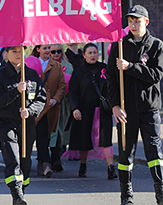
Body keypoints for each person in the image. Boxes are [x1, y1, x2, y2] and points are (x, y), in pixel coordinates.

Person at [107, 5, 163, 205]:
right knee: (125, 154)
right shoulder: (119, 46)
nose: (134, 25)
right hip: (126, 111)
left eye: (138, 21)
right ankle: (126, 197)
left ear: (146, 22)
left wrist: (130, 67)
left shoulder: (157, 46)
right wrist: (115, 106)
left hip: (149, 109)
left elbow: (155, 75)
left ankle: (161, 196)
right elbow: (110, 79)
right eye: (130, 21)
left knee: (154, 151)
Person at [0, 46, 47, 205]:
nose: (18, 54)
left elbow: (41, 98)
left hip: (27, 124)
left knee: (25, 162)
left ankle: (21, 193)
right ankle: (17, 197)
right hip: (6, 124)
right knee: (12, 159)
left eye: (20, 51)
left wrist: (30, 111)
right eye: (13, 51)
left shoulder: (31, 74)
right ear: (6, 54)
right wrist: (16, 92)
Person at [64, 43, 116, 179]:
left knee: (105, 139)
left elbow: (111, 87)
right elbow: (73, 93)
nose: (93, 55)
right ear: (84, 54)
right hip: (84, 111)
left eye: (95, 53)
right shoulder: (79, 71)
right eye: (90, 53)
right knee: (84, 139)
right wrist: (75, 109)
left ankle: (111, 168)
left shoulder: (104, 69)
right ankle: (83, 164)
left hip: (102, 111)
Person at [31, 44, 66, 178]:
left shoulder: (56, 66)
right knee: (36, 135)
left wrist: (55, 99)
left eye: (49, 49)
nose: (47, 51)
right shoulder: (30, 63)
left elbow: (62, 85)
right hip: (35, 107)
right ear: (38, 49)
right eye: (44, 48)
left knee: (44, 135)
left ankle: (44, 162)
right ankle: (41, 162)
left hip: (50, 108)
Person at [50, 44, 74, 171]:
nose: (56, 54)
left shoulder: (68, 67)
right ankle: (48, 158)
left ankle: (56, 157)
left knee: (60, 131)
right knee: (51, 131)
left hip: (63, 103)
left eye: (59, 51)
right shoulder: (45, 66)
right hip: (48, 103)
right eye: (53, 51)